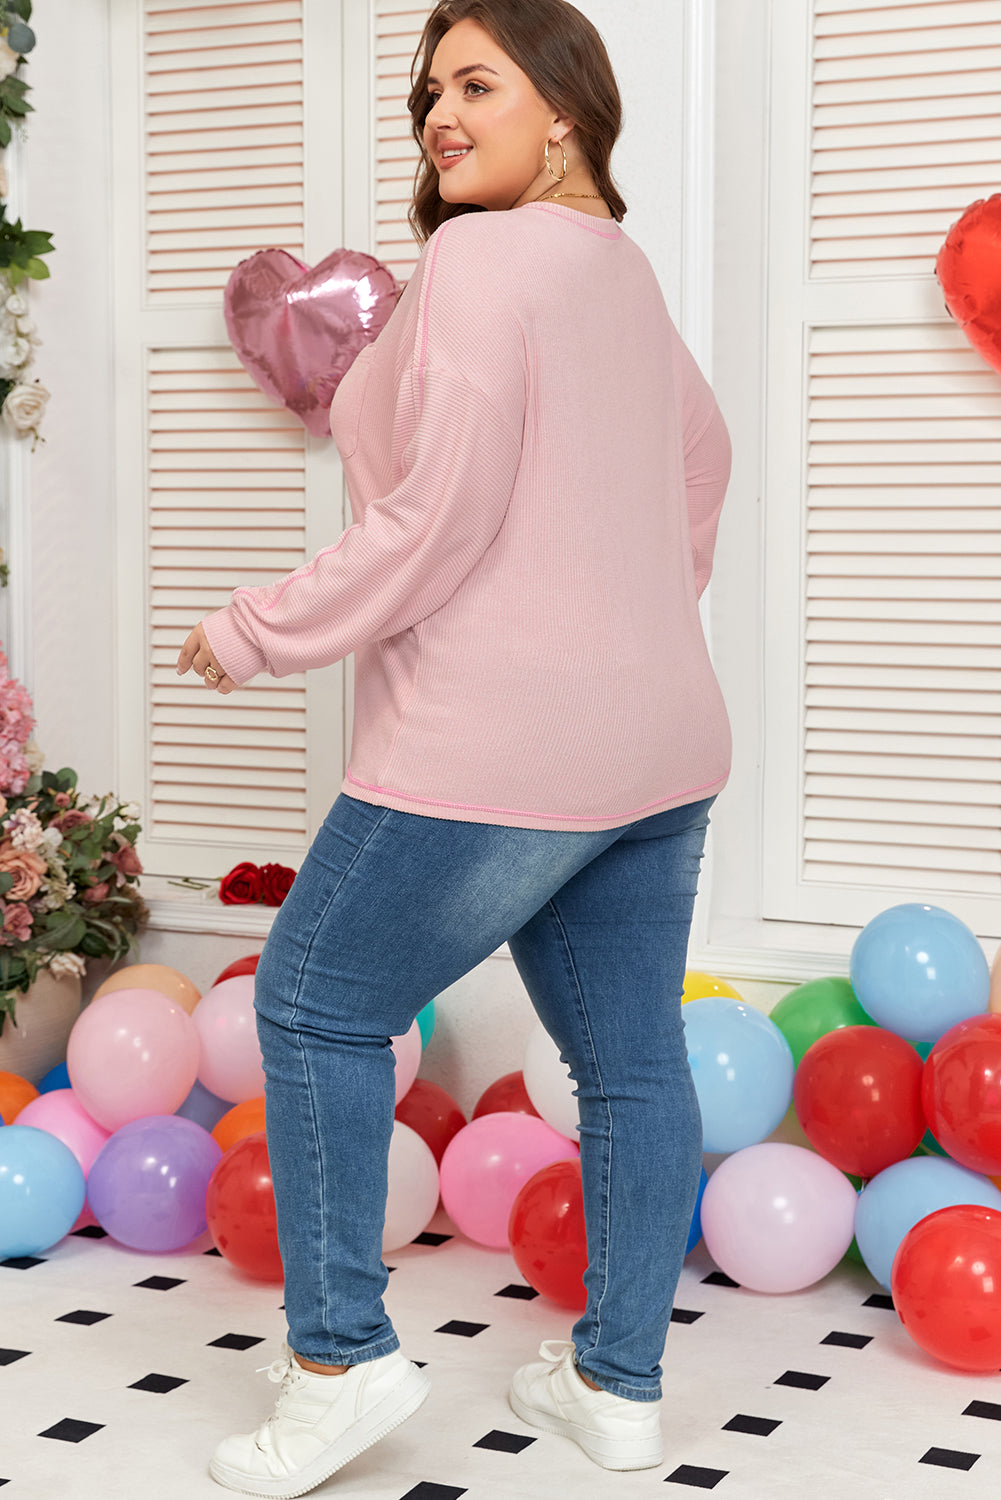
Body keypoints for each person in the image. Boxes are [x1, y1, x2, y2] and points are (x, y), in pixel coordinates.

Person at [179, 1, 732, 1494]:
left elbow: (439, 517)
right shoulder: (619, 272)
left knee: (310, 1005)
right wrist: (627, 612)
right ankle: (618, 1389)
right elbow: (705, 458)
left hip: (504, 743)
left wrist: (256, 628)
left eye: (478, 84)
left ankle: (340, 1366)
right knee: (630, 1066)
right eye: (429, 89)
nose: (439, 113)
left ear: (565, 108)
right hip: (660, 742)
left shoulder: (484, 260)